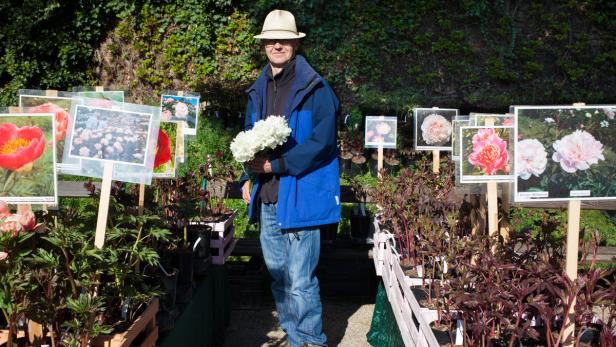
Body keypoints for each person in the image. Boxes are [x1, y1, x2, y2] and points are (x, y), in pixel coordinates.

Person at [241, 9, 340, 347]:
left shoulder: (316, 89)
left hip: (300, 196)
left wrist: (276, 166)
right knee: (280, 277)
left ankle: (311, 341)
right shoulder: (258, 89)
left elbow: (322, 142)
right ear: (264, 44)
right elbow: (248, 138)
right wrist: (247, 176)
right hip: (268, 196)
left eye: (284, 39)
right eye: (272, 40)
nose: (277, 44)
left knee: (300, 280)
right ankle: (294, 333)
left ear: (295, 44)